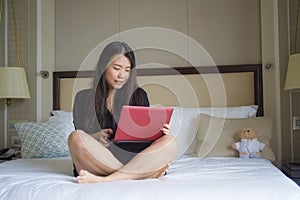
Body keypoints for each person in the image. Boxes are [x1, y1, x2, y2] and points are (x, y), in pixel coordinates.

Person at [68, 41, 178, 183]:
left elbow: (146, 137)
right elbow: (82, 138)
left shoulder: (138, 95)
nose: (122, 75)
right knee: (75, 137)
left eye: (127, 70)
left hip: (134, 157)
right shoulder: (83, 98)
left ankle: (107, 179)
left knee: (170, 141)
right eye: (117, 68)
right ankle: (142, 174)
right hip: (99, 159)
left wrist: (160, 133)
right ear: (103, 67)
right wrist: (96, 136)